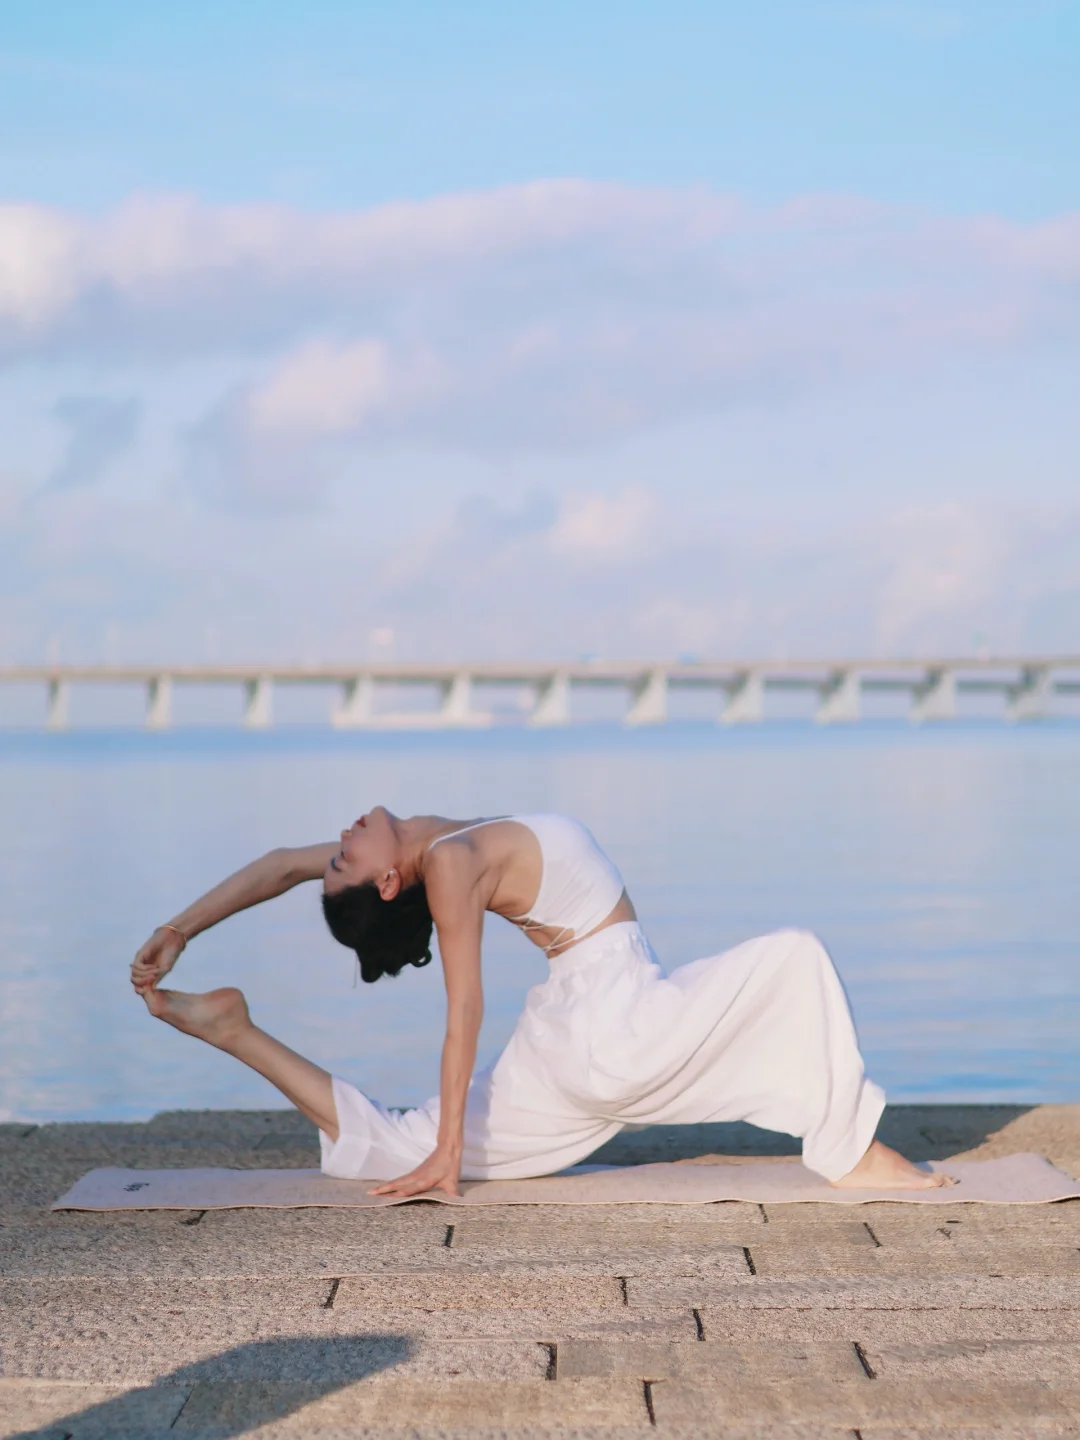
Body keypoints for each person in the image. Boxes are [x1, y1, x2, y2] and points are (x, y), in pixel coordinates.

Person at [131, 808, 952, 1198]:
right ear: (387, 881)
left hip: (577, 1028)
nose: (339, 836)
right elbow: (464, 1013)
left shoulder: (428, 842)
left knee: (395, 1144)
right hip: (609, 1025)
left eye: (336, 854)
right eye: (345, 854)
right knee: (796, 960)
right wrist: (453, 1154)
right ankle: (850, 1152)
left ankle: (233, 1030)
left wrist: (178, 929)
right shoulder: (447, 864)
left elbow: (279, 863)